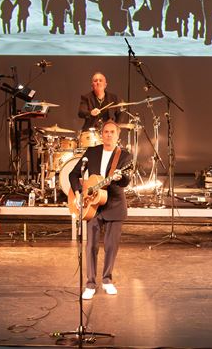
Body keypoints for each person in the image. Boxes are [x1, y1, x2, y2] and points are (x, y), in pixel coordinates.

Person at [68, 120, 133, 299]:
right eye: (106, 132)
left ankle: (107, 280)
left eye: (112, 132)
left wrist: (120, 177)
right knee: (91, 246)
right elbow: (73, 174)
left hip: (114, 203)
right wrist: (78, 192)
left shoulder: (125, 156)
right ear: (101, 134)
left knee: (111, 246)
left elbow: (126, 181)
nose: (109, 135)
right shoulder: (92, 152)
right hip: (93, 205)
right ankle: (90, 283)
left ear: (118, 135)